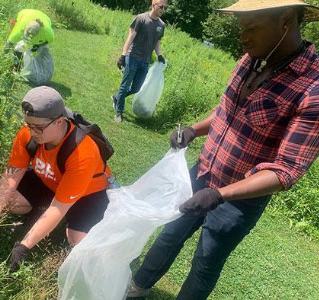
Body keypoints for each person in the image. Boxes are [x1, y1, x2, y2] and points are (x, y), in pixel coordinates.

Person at [127, 1, 319, 299]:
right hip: (203, 173)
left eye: (251, 28)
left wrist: (220, 195)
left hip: (240, 200)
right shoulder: (252, 58)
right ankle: (138, 286)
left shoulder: (312, 87)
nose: (243, 37)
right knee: (171, 233)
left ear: (285, 21)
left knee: (206, 262)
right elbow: (228, 108)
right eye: (242, 28)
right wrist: (194, 130)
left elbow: (287, 170)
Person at [0, 86, 113, 272]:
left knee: (78, 240)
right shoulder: (28, 133)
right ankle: (37, 217)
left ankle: (77, 225)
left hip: (87, 193)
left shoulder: (83, 152)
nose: (32, 132)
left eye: (38, 127)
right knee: (10, 201)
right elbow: (11, 175)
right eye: (28, 124)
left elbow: (58, 208)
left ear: (59, 122)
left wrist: (24, 246)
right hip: (50, 180)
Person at [111, 0, 167, 122]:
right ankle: (119, 113)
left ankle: (117, 97)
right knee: (125, 86)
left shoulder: (161, 25)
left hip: (145, 61)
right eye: (161, 7)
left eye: (165, 8)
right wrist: (122, 55)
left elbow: (157, 42)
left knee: (136, 88)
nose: (163, 10)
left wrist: (160, 55)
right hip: (132, 58)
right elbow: (130, 37)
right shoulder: (141, 18)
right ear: (153, 5)